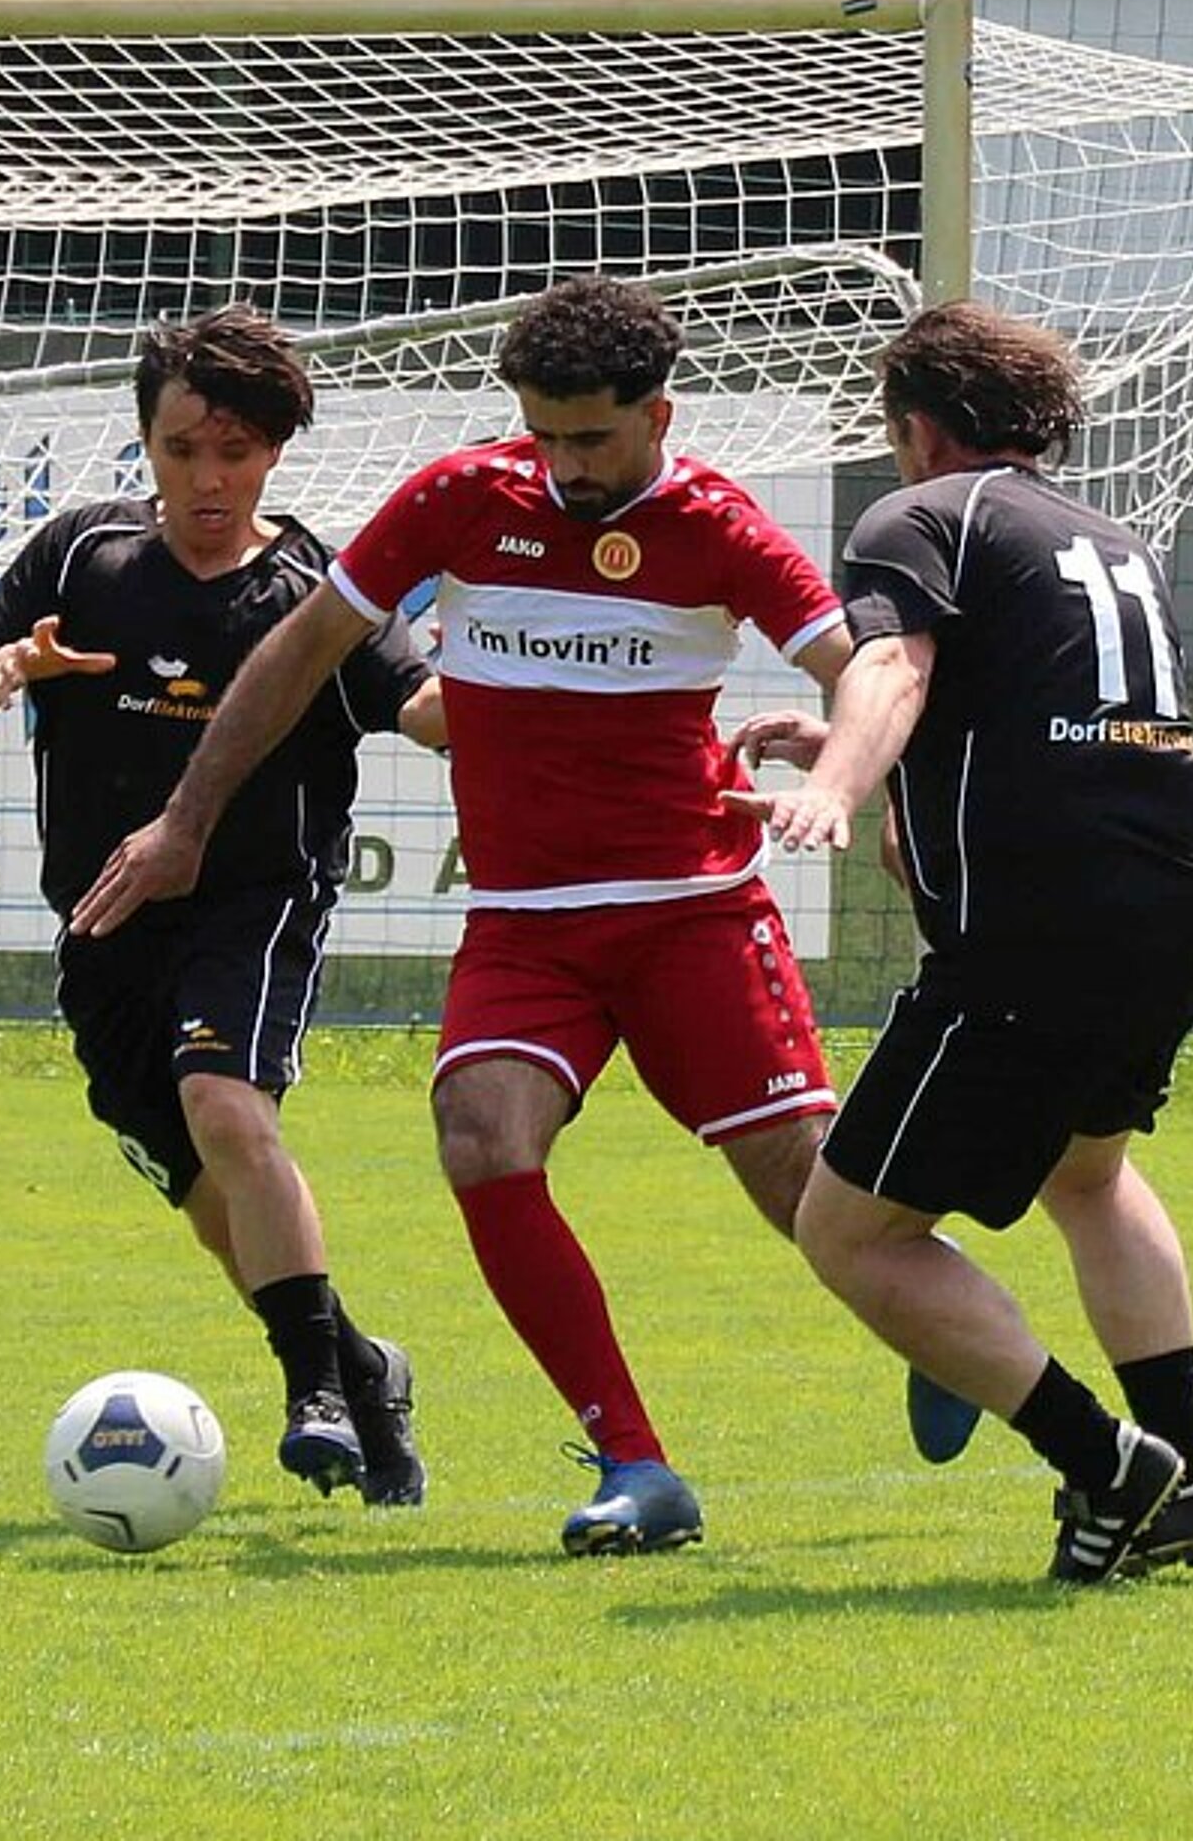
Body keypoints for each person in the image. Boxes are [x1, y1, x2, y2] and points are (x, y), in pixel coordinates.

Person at [74, 272, 913, 1558]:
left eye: (593, 437)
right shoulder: (464, 499)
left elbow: (866, 669)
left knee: (810, 1196)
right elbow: (299, 652)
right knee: (480, 1138)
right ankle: (636, 1462)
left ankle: (943, 1331)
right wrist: (187, 819)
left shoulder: (718, 527)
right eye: (544, 433)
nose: (565, 464)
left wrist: (856, 787)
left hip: (692, 910)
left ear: (659, 416)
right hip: (527, 924)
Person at [0, 306, 447, 1507]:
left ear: (275, 453)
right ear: (146, 443)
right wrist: (12, 666)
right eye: (182, 450)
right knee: (209, 1200)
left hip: (252, 903)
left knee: (226, 1107)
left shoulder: (316, 589)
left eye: (235, 453)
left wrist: (490, 680)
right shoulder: (84, 557)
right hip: (103, 922)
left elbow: (420, 709)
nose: (208, 479)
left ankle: (314, 1394)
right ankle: (362, 1370)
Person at [725, 302, 1193, 1584]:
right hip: (1173, 912)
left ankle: (1107, 1463)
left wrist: (836, 782)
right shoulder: (1107, 539)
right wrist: (872, 760)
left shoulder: (921, 516)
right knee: (1089, 1175)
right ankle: (1192, 1474)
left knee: (849, 1231)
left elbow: (892, 671)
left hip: (1033, 933)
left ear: (917, 427)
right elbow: (1021, 720)